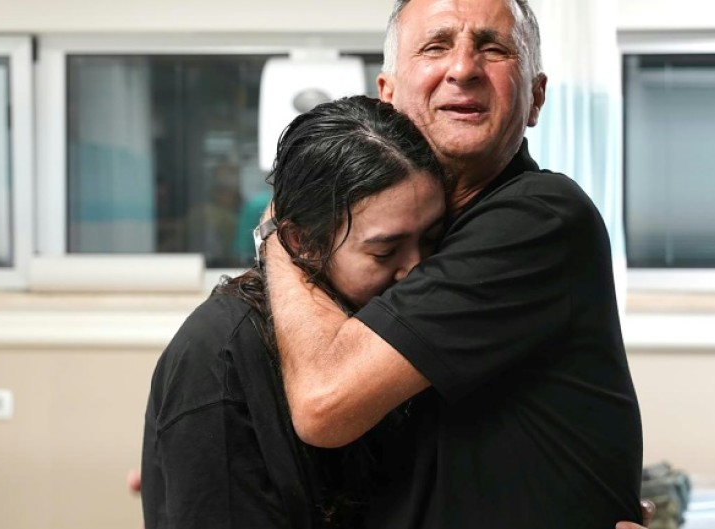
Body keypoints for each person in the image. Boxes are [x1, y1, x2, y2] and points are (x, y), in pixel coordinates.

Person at [262, 0, 646, 528]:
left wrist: (276, 238)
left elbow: (325, 402)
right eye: (436, 46)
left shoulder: (537, 218)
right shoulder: (410, 241)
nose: (463, 68)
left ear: (535, 98)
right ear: (387, 94)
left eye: (493, 49)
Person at [140, 95, 447, 529]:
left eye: (432, 240)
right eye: (385, 251)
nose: (416, 270)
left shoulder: (379, 324)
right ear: (302, 242)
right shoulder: (218, 355)